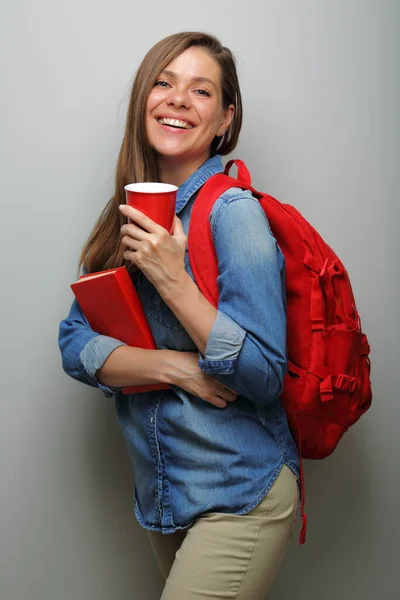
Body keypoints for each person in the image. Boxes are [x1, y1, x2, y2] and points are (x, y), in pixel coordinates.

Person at [58, 31, 300, 599]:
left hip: (241, 492)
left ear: (224, 119)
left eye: (201, 90)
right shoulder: (128, 211)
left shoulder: (232, 213)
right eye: (164, 83)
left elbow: (265, 376)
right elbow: (74, 342)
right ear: (144, 96)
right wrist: (174, 367)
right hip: (165, 495)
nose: (177, 99)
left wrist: (173, 278)